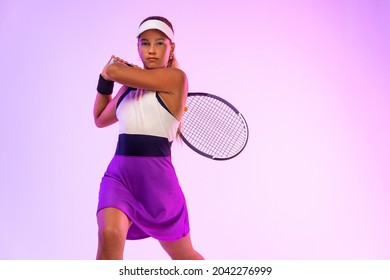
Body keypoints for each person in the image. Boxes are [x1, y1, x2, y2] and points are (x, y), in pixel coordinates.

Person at [93, 16, 204, 260]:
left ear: (171, 47)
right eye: (145, 43)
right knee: (109, 234)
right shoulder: (127, 88)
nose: (151, 50)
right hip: (119, 177)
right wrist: (105, 82)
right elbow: (100, 118)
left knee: (185, 256)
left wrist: (112, 71)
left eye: (159, 43)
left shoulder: (176, 79)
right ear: (138, 47)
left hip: (159, 185)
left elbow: (113, 69)